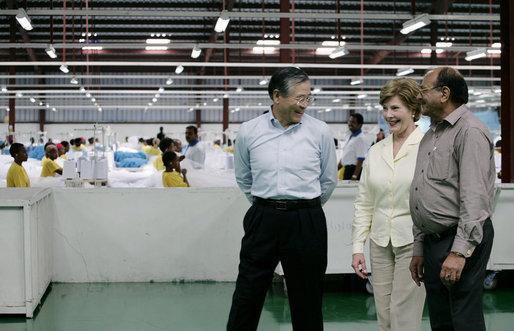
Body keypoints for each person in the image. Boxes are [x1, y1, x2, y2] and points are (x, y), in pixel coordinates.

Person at [228, 67, 338, 331]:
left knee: (307, 297)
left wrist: (303, 207)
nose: (305, 105)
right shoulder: (249, 131)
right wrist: (268, 205)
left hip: (306, 221)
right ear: (277, 96)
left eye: (309, 98)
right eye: (300, 98)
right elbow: (244, 178)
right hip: (263, 218)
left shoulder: (320, 131)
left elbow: (328, 180)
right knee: (248, 292)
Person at [409, 67, 495, 331]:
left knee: (463, 317)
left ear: (444, 93)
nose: (420, 97)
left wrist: (459, 251)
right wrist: (419, 247)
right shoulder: (431, 135)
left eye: (424, 90)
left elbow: (475, 197)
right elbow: (425, 191)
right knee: (441, 317)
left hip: (460, 237)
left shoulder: (469, 132)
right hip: (435, 240)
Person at [351, 78, 426, 331]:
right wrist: (357, 247)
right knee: (384, 318)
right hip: (380, 242)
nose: (388, 115)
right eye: (385, 108)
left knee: (403, 318)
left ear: (413, 110)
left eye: (395, 108)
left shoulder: (427, 147)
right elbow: (364, 202)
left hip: (414, 243)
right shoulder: (376, 151)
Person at [340, 113, 369, 180]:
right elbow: (346, 156)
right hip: (346, 169)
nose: (350, 124)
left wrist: (355, 176)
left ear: (360, 125)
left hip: (353, 170)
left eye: (353, 122)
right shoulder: (350, 137)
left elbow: (361, 159)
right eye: (349, 121)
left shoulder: (360, 139)